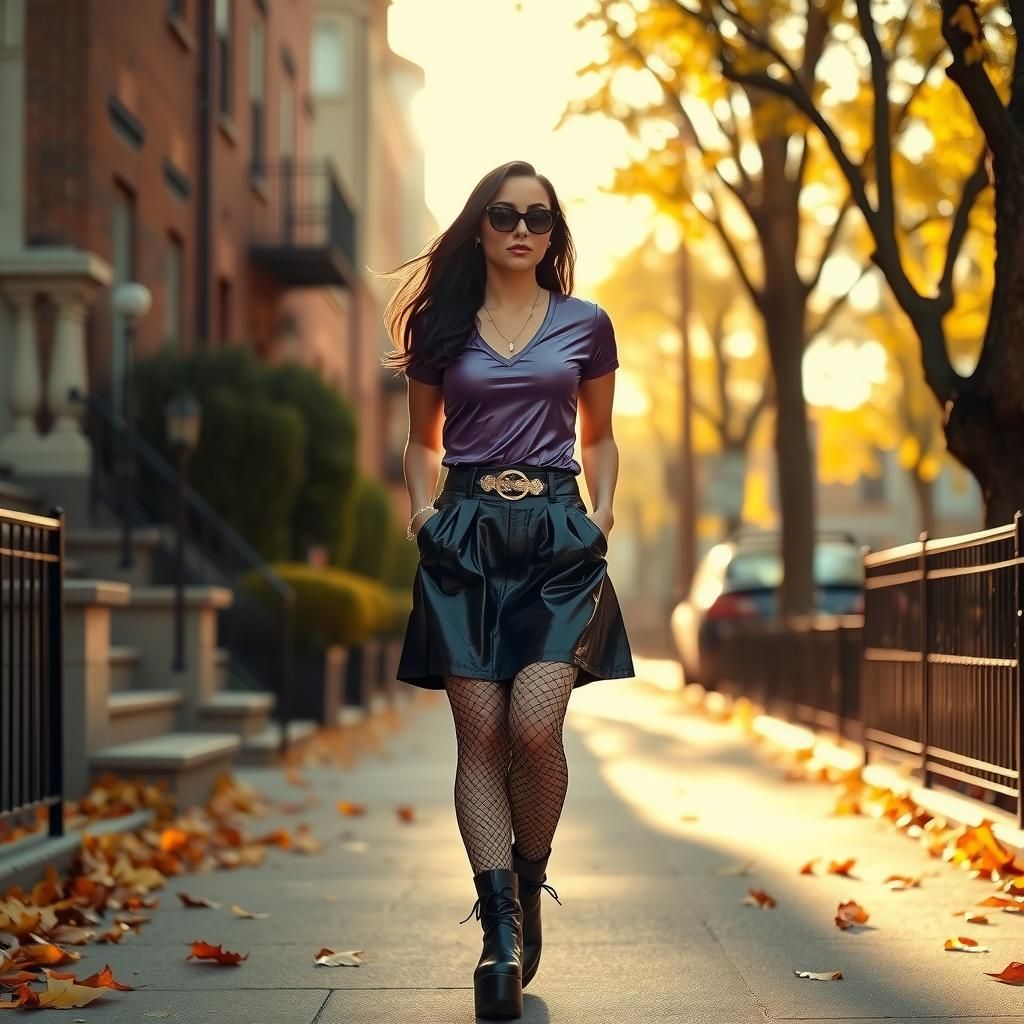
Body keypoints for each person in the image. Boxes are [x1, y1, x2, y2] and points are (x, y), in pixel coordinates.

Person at [380, 160, 635, 1021]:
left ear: (554, 233)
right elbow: (421, 442)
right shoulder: (442, 328)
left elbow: (599, 437)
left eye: (539, 217)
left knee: (534, 724)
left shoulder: (587, 325)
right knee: (480, 736)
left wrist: (603, 517)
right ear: (479, 226)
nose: (522, 229)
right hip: (466, 537)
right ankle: (497, 935)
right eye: (503, 214)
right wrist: (421, 513)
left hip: (559, 535)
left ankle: (529, 876)